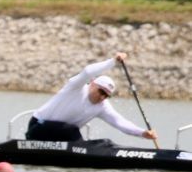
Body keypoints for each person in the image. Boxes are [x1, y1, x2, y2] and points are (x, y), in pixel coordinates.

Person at [25, 52, 158, 142]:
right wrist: (113, 61)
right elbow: (88, 71)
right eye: (101, 92)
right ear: (93, 84)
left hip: (61, 135)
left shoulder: (102, 107)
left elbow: (120, 123)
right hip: (37, 127)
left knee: (82, 136)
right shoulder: (76, 87)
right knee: (72, 131)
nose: (102, 97)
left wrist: (143, 133)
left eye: (106, 95)